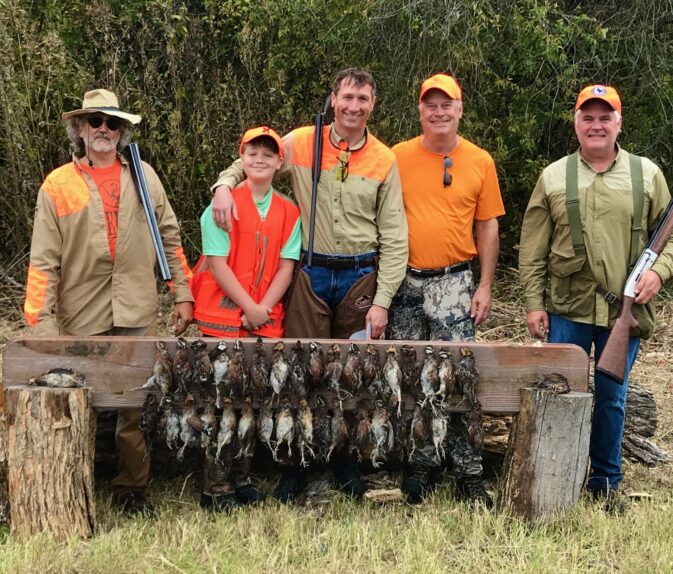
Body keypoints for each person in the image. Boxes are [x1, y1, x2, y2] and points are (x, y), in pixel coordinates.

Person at [211, 68, 408, 500]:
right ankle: (295, 462)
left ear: (373, 104)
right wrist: (225, 186)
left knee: (352, 373)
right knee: (300, 368)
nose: (354, 106)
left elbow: (395, 235)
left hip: (360, 276)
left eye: (363, 99)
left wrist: (383, 300)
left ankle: (344, 462)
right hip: (311, 273)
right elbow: (253, 157)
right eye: (347, 97)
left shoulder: (384, 158)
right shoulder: (301, 141)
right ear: (333, 99)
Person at [24, 89, 194, 515]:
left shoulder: (145, 176)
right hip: (82, 313)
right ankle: (72, 485)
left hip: (136, 308)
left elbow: (170, 238)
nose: (103, 129)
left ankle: (131, 490)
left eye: (112, 123)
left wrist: (183, 294)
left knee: (133, 407)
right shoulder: (58, 185)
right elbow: (43, 264)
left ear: (122, 131)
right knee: (79, 403)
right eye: (95, 121)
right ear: (79, 128)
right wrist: (42, 329)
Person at [518, 84, 673, 511]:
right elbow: (533, 246)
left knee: (612, 398)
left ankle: (606, 482)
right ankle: (555, 477)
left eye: (604, 117)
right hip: (566, 308)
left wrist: (658, 275)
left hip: (621, 313)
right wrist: (534, 302)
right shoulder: (553, 176)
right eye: (587, 117)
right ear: (576, 123)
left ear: (618, 123)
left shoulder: (647, 174)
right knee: (559, 393)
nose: (596, 125)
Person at [388, 73, 505, 506]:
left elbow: (488, 224)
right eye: (430, 105)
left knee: (459, 376)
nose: (439, 112)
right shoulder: (396, 156)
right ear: (420, 110)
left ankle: (468, 469)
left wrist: (486, 285)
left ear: (459, 109)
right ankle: (422, 462)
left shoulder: (480, 161)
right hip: (404, 282)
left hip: (455, 281)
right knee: (414, 375)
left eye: (447, 104)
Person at [191, 126, 301, 510]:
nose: (260, 159)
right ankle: (216, 485)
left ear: (279, 162)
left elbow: (287, 267)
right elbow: (217, 265)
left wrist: (263, 309)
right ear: (242, 157)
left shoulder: (289, 210)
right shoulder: (222, 205)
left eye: (268, 154)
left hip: (264, 320)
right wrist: (247, 308)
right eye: (253, 152)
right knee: (221, 403)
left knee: (252, 401)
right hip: (222, 319)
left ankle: (243, 476)